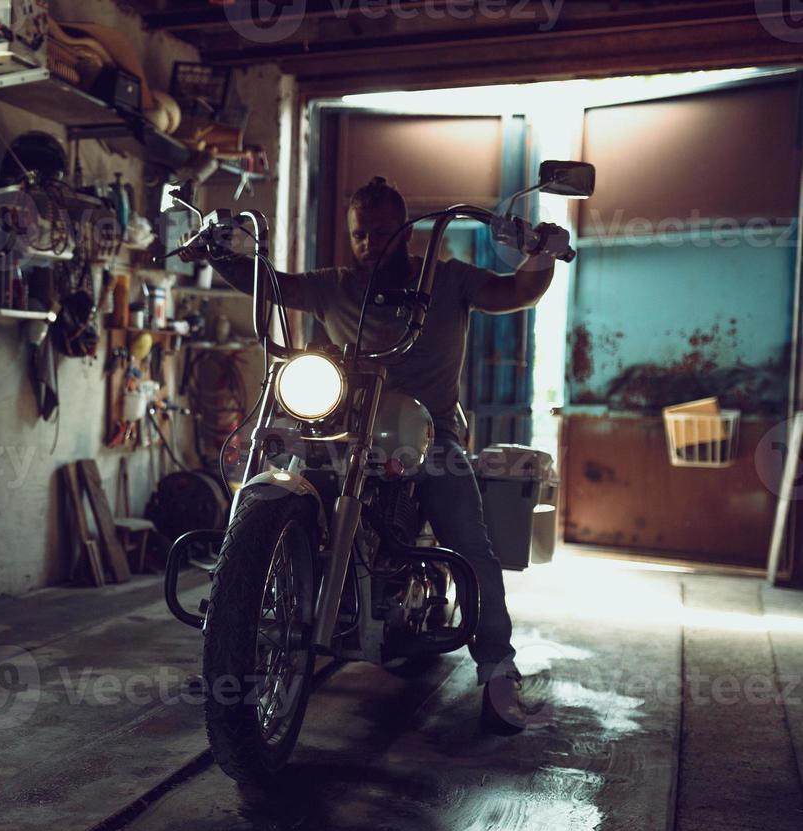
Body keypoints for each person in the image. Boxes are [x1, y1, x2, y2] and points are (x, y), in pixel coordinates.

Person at [187, 175, 561, 733]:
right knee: (273, 479)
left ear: (406, 231)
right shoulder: (335, 285)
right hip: (344, 430)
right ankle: (234, 634)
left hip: (431, 435)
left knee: (470, 542)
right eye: (360, 235)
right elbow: (273, 285)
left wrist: (542, 256)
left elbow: (515, 292)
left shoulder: (448, 280)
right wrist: (217, 252)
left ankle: (498, 669)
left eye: (382, 232)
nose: (370, 244)